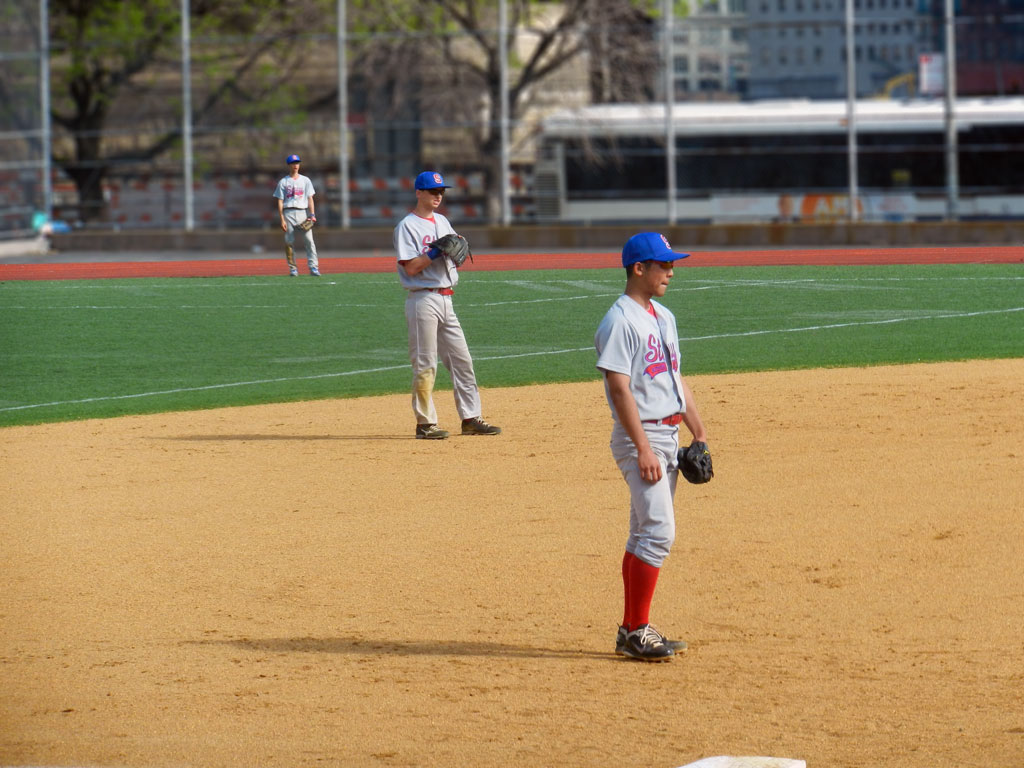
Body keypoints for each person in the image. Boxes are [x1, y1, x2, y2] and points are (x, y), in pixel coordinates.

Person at [594, 232, 709, 662]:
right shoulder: (619, 321)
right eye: (662, 265)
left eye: (671, 264)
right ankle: (638, 629)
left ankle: (631, 630)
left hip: (668, 434)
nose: (671, 272)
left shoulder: (663, 316)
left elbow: (677, 379)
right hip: (639, 437)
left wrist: (699, 433)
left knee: (643, 532)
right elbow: (619, 388)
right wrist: (642, 448)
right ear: (638, 268)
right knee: (659, 532)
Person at [393, 170, 501, 440]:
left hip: (446, 299)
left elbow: (454, 250)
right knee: (425, 364)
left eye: (441, 192)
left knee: (462, 360)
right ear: (419, 192)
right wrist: (434, 251)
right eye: (432, 191)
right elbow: (412, 268)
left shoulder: (442, 221)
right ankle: (425, 424)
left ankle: (471, 418)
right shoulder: (407, 226)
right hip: (423, 299)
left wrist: (457, 245)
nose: (438, 196)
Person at [272, 154, 320, 277]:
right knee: (289, 242)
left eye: (297, 163)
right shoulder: (283, 181)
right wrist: (281, 218)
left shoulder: (305, 180)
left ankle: (313, 267)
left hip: (302, 212)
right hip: (288, 212)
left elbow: (310, 198)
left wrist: (312, 214)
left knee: (309, 240)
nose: (296, 165)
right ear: (289, 165)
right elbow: (280, 201)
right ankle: (293, 268)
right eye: (293, 163)